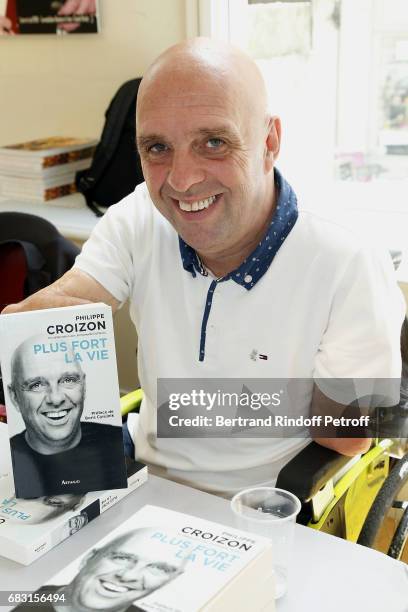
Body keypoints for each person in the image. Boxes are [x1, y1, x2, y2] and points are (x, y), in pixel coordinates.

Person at [2, 38, 405, 497]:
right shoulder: (140, 215)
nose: (182, 180)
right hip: (144, 485)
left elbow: (348, 435)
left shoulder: (349, 257)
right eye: (157, 147)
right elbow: (63, 306)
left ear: (269, 142)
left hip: (265, 507)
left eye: (213, 142)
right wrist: (20, 326)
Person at [6, 335, 127, 497]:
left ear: (83, 386)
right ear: (14, 397)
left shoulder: (116, 444)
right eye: (36, 385)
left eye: (68, 380)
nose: (56, 399)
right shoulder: (10, 463)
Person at [11, 528, 185, 612]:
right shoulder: (17, 598)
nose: (129, 575)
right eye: (122, 558)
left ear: (169, 581)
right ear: (89, 558)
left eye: (159, 569)